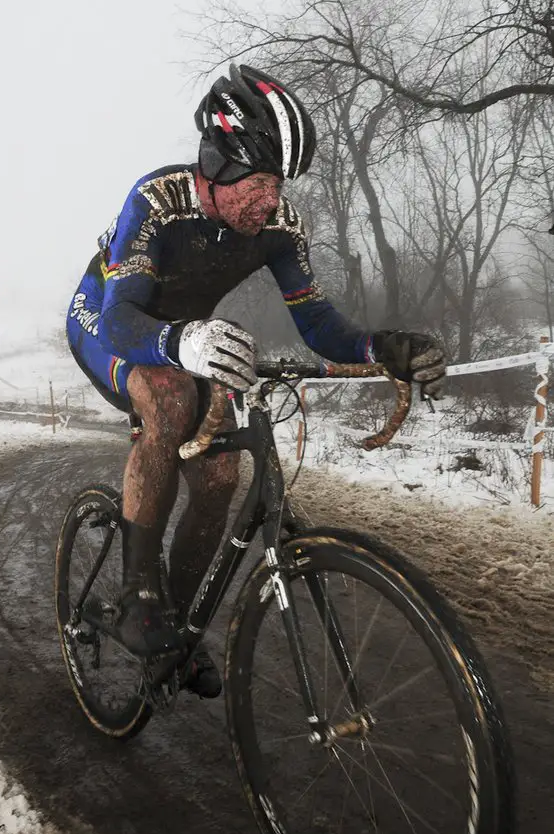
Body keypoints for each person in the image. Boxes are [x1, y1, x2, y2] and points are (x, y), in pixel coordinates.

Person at [66, 64, 446, 698]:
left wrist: (384, 347)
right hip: (108, 323)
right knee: (169, 394)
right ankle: (137, 596)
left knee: (219, 478)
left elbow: (318, 323)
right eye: (261, 182)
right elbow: (123, 316)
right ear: (214, 162)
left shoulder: (277, 228)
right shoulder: (157, 201)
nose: (271, 200)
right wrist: (182, 341)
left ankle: (175, 628)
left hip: (181, 336)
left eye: (279, 184)